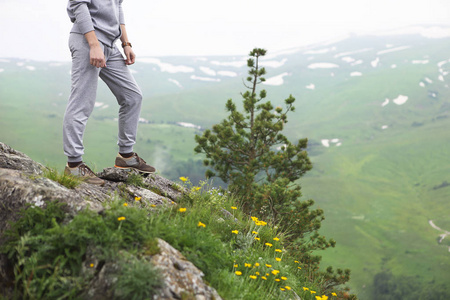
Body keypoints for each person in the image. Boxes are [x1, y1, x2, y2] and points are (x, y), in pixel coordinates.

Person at [63, 0, 155, 185]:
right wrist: (94, 44)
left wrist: (126, 43)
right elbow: (78, 5)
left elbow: (118, 7)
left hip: (110, 45)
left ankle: (126, 156)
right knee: (82, 103)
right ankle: (73, 165)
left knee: (132, 96)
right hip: (87, 41)